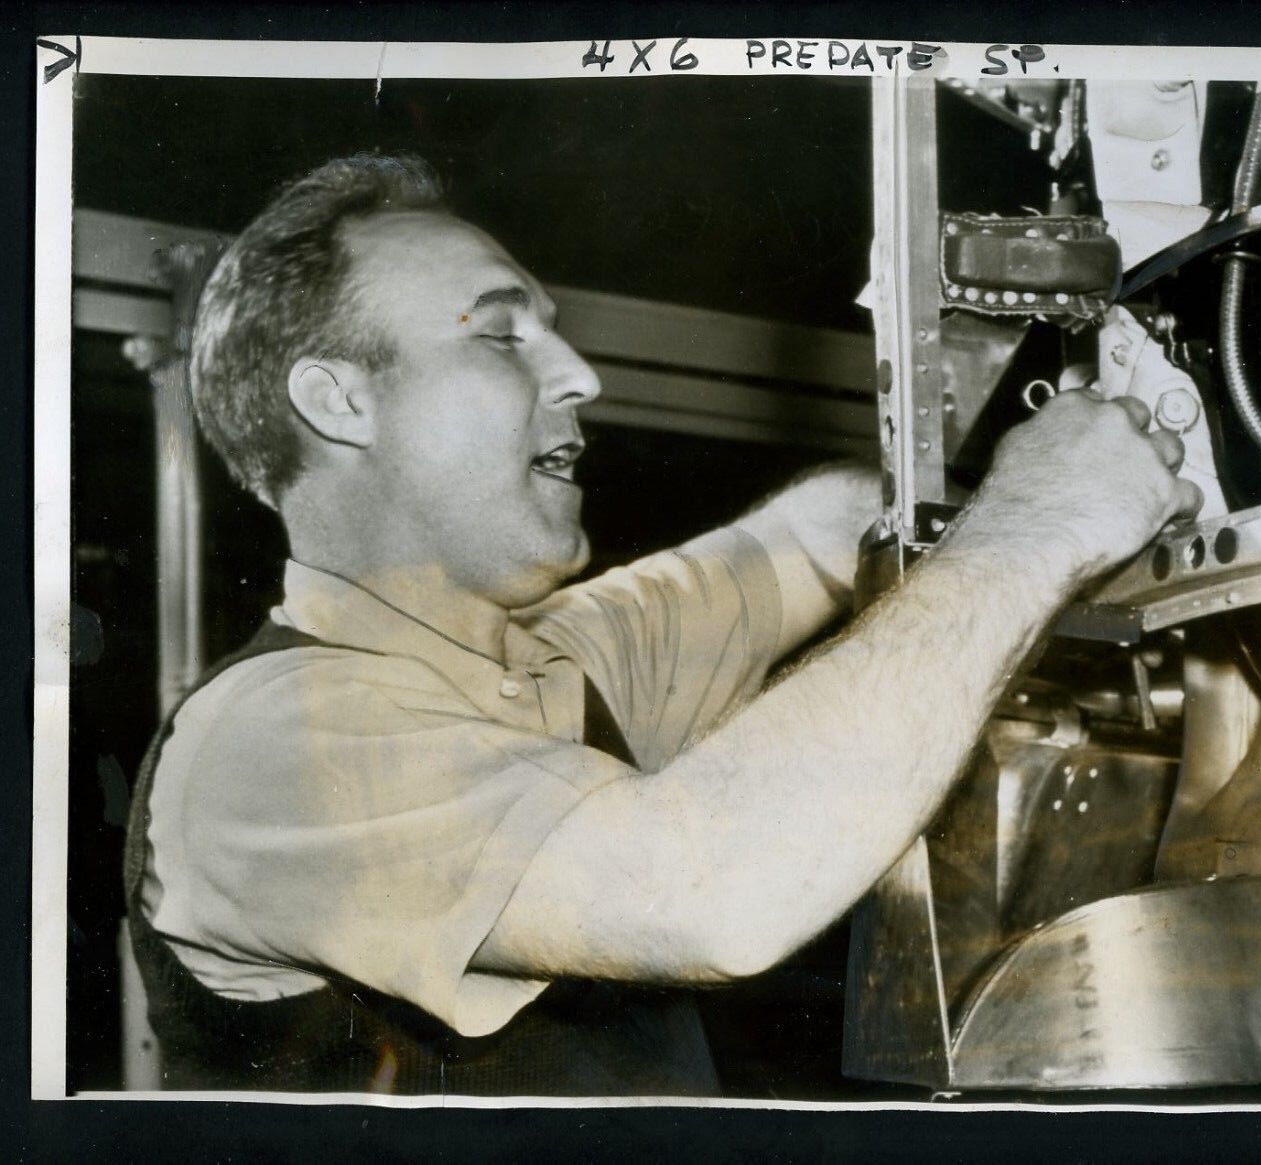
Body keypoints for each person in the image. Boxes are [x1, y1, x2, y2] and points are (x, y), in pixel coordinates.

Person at [124, 153, 1201, 1096]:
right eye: (501, 336)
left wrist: (978, 396)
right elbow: (706, 892)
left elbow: (817, 532)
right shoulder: (263, 745)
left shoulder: (554, 652)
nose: (580, 375)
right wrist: (1033, 526)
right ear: (338, 401)